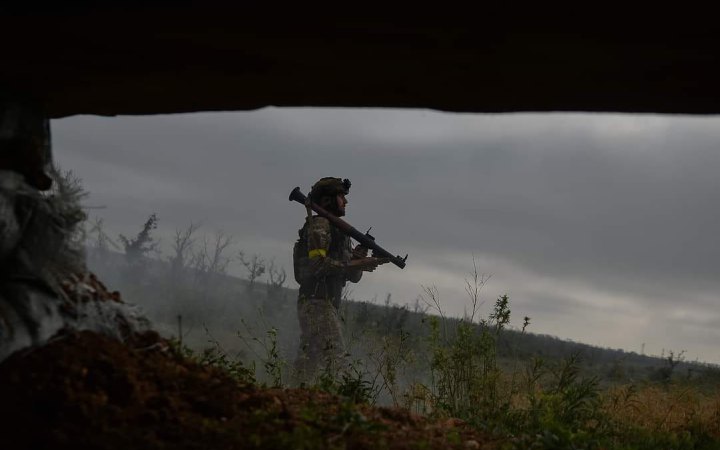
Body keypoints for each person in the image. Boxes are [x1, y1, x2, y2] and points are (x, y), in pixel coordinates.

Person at [292, 177, 389, 383]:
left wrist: (359, 258)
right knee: (337, 362)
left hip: (325, 303)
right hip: (316, 302)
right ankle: (346, 407)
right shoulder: (320, 225)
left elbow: (352, 277)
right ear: (327, 201)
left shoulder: (339, 232)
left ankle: (289, 400)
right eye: (341, 196)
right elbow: (317, 265)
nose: (345, 202)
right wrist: (357, 264)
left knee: (308, 363)